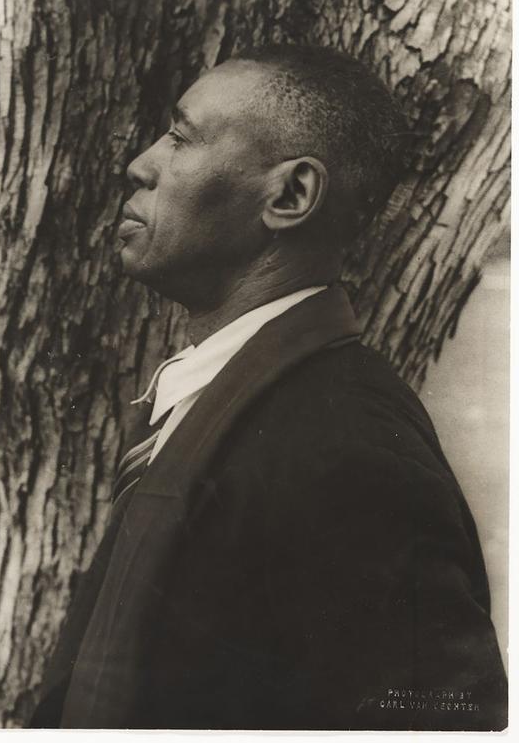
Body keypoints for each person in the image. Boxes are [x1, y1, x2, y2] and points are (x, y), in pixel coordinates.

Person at [28, 44, 507, 731]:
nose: (139, 163)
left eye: (181, 137)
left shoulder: (349, 451)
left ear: (290, 196)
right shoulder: (237, 394)